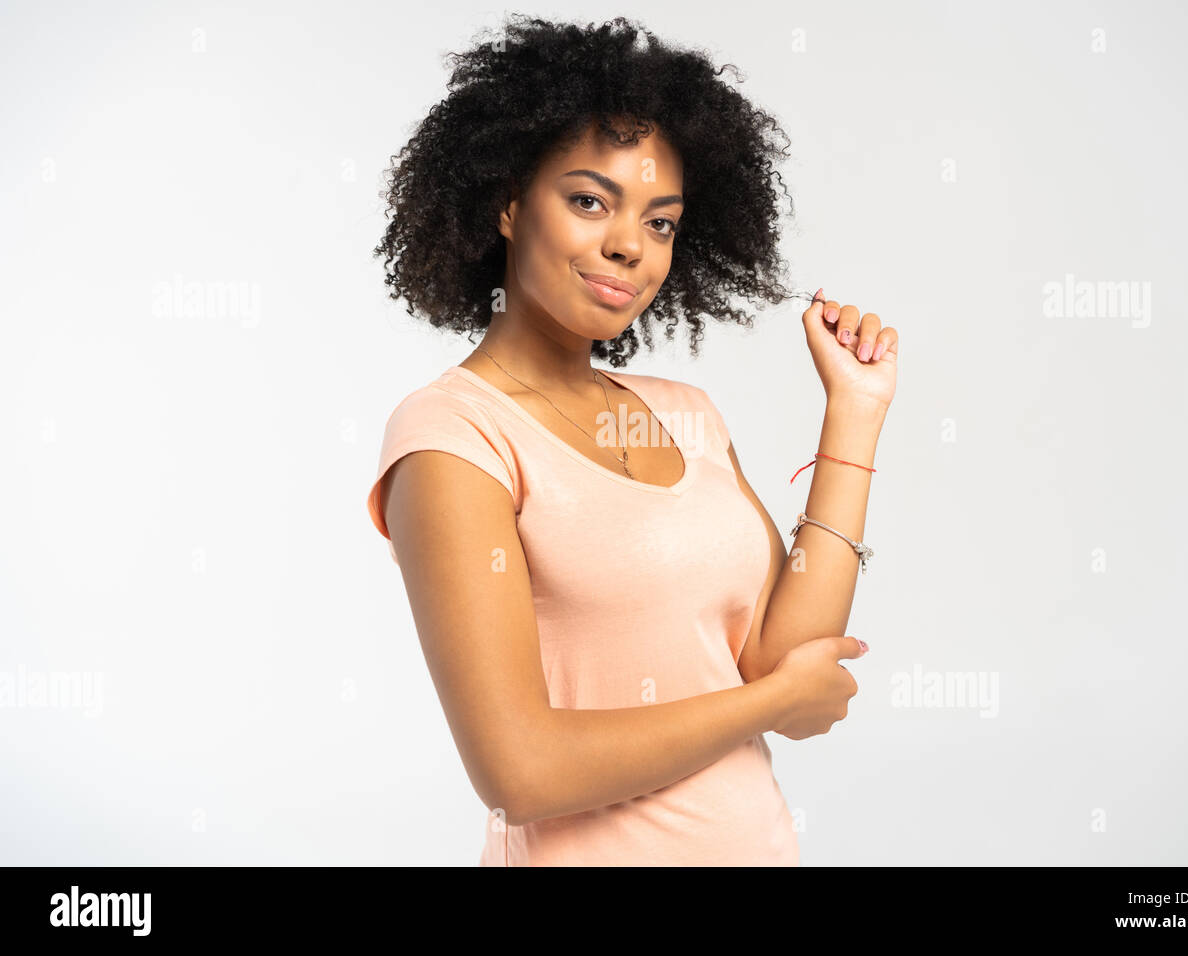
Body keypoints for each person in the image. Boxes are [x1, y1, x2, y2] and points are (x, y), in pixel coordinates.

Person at [365, 14, 898, 866]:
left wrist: (855, 412)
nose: (628, 246)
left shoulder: (686, 410)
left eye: (661, 222)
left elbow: (783, 658)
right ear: (507, 203)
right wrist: (766, 706)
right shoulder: (451, 436)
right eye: (588, 200)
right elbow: (520, 769)